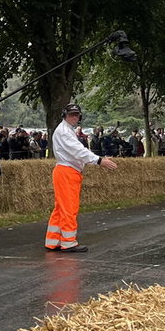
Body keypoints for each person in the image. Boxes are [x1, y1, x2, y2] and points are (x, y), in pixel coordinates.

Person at [45, 103, 117, 253]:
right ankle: (69, 242)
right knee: (69, 208)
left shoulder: (66, 130)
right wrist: (99, 160)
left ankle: (53, 240)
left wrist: (99, 158)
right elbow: (78, 151)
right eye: (72, 114)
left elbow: (79, 152)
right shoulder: (64, 131)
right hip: (67, 172)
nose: (75, 117)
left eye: (77, 115)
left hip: (67, 171)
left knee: (61, 208)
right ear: (65, 115)